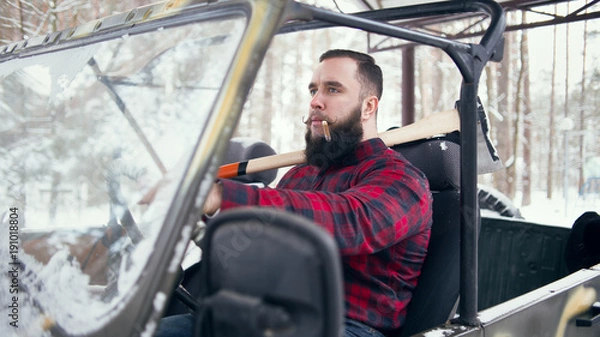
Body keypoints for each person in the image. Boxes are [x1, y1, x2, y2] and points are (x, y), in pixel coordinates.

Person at [156, 49, 433, 337]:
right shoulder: (301, 175)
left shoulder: (403, 180)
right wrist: (201, 217)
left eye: (332, 89)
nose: (315, 101)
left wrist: (221, 197)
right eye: (314, 90)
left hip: (345, 326)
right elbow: (260, 237)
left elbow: (349, 222)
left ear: (368, 107)